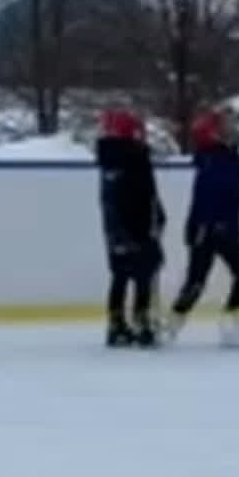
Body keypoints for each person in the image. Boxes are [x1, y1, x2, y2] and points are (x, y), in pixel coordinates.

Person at [165, 109, 239, 348]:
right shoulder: (216, 160)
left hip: (217, 228)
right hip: (211, 229)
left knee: (230, 275)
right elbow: (238, 190)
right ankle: (186, 323)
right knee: (205, 279)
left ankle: (182, 322)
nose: (232, 129)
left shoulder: (224, 157)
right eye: (226, 127)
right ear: (214, 134)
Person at [95, 107, 165, 349]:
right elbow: (145, 194)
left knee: (121, 274)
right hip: (137, 225)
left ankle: (116, 324)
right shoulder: (136, 158)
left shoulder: (108, 158)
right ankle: (141, 321)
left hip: (114, 228)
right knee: (143, 273)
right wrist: (154, 219)